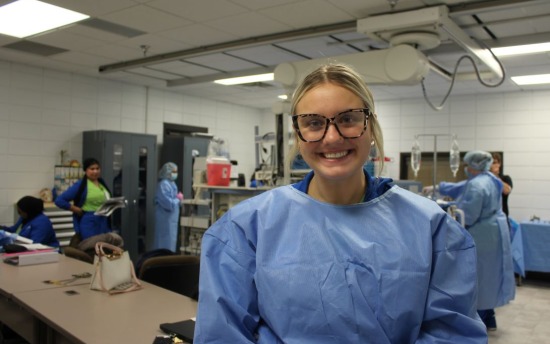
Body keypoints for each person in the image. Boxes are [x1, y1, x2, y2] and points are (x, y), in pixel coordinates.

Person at [194, 63, 487, 343]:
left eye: (348, 119)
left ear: (370, 127)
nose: (332, 137)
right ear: (298, 134)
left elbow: (452, 333)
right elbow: (223, 333)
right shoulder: (245, 229)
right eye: (313, 123)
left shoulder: (432, 228)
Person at [437, 151, 515, 331]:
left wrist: (447, 208)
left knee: (479, 277)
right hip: (495, 231)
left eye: (467, 165)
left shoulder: (478, 185)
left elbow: (468, 215)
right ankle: (489, 319)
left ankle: (478, 322)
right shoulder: (490, 178)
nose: (466, 168)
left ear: (473, 166)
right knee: (489, 277)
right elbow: (461, 187)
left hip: (483, 234)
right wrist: (439, 186)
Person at [55, 158, 112, 241]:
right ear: (86, 170)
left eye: (97, 168)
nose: (95, 171)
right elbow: (59, 200)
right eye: (92, 169)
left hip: (103, 221)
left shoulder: (101, 183)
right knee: (91, 248)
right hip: (89, 221)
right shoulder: (81, 185)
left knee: (104, 248)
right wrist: (75, 209)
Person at [152, 162, 183, 252]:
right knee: (163, 244)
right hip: (165, 220)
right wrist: (178, 199)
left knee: (170, 244)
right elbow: (168, 204)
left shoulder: (172, 183)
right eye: (173, 171)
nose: (175, 174)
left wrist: (178, 200)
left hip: (171, 220)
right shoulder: (164, 184)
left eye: (176, 172)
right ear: (167, 172)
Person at [490, 152, 513, 218]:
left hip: (502, 218)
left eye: (494, 163)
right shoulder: (487, 180)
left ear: (499, 164)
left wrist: (495, 176)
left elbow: (507, 190)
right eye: (491, 163)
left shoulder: (506, 178)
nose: (492, 165)